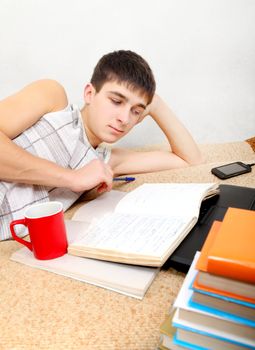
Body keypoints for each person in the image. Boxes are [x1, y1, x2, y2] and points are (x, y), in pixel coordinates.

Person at [0, 50, 202, 240]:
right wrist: (72, 178)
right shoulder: (53, 100)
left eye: (136, 111)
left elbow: (189, 159)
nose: (124, 118)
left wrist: (156, 104)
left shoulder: (104, 162)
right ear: (89, 93)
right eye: (116, 101)